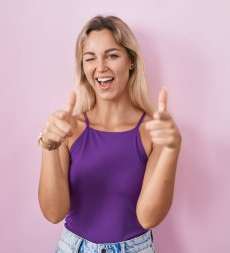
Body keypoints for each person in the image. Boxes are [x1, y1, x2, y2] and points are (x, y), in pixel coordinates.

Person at [38, 15, 182, 253]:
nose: (101, 67)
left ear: (131, 61)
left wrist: (171, 149)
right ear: (83, 68)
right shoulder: (68, 129)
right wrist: (48, 145)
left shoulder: (153, 132)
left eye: (112, 55)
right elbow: (53, 213)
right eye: (90, 58)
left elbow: (148, 218)